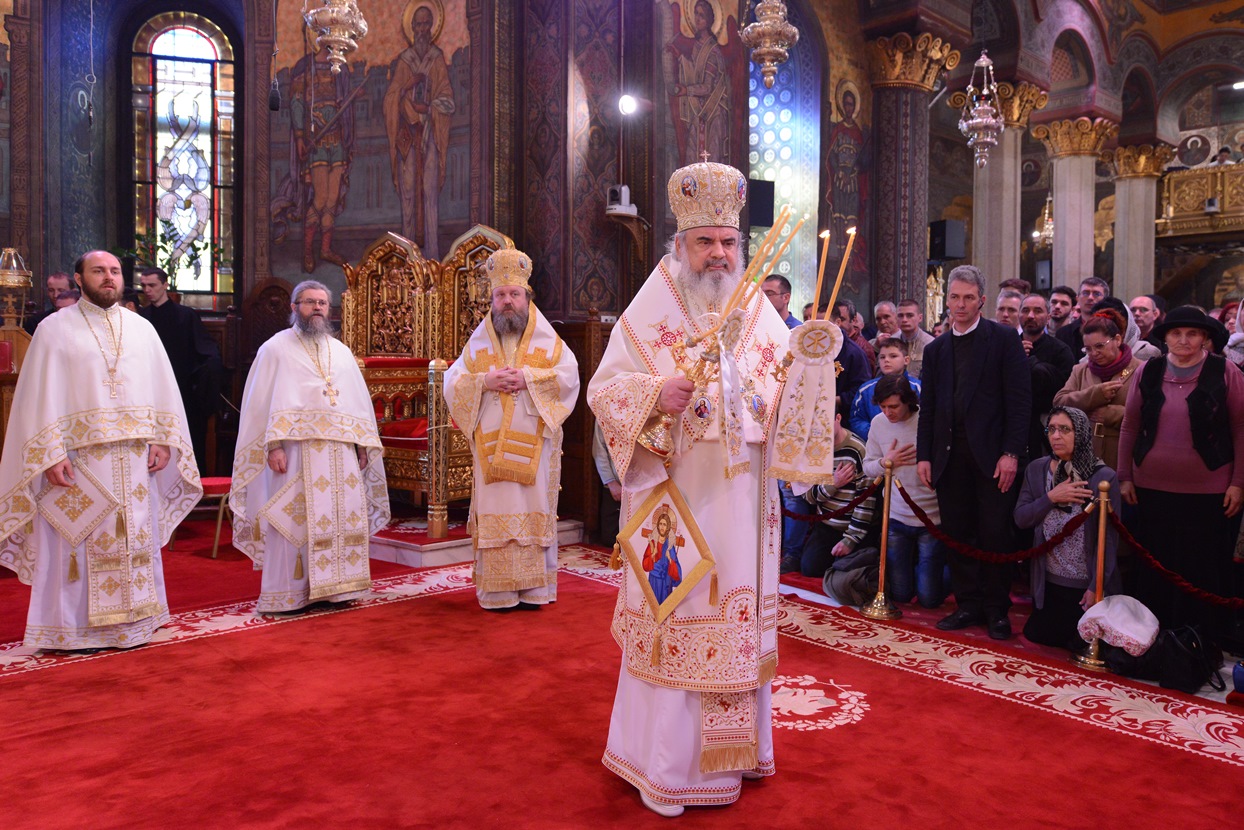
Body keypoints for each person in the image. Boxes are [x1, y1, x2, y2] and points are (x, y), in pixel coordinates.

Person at [588, 158, 790, 815]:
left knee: (734, 620)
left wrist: (813, 368)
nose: (719, 254)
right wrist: (656, 394)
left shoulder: (756, 308)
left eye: (729, 241)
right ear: (681, 244)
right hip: (677, 502)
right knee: (678, 613)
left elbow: (786, 392)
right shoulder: (652, 307)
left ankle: (739, 757)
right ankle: (667, 770)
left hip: (744, 502)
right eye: (706, 241)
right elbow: (604, 391)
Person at [0, 250, 201, 650]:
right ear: (80, 279)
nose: (109, 277)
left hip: (135, 460)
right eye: (99, 271)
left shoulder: (142, 329)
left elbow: (162, 387)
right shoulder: (54, 329)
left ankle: (137, 622)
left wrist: (163, 439)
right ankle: (72, 631)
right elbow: (39, 396)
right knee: (77, 540)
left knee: (136, 538)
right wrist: (51, 452)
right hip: (78, 462)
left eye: (115, 271)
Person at [229, 280, 390, 613]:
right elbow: (260, 405)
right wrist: (272, 446)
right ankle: (288, 594)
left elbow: (358, 404)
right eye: (309, 302)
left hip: (340, 454)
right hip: (294, 454)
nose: (317, 307)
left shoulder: (340, 351)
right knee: (292, 521)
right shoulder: (275, 349)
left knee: (342, 517)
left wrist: (362, 445)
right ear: (294, 307)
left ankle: (339, 589)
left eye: (322, 303)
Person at [444, 249, 579, 610]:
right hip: (490, 453)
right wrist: (484, 381)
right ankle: (498, 592)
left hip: (536, 448)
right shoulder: (478, 343)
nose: (507, 301)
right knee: (495, 510)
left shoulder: (549, 342)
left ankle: (535, 589)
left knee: (534, 509)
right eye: (500, 295)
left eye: (514, 294)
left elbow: (569, 378)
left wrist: (528, 378)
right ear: (492, 300)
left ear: (526, 297)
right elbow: (452, 383)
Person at [916, 265, 1031, 640]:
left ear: (982, 300)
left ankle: (997, 608)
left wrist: (1011, 453)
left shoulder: (1003, 339)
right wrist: (924, 455)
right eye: (955, 297)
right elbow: (929, 408)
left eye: (968, 298)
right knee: (958, 532)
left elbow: (1019, 402)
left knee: (995, 533)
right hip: (949, 457)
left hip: (994, 457)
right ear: (946, 301)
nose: (961, 305)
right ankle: (967, 603)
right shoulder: (935, 350)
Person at [1117, 306, 1244, 643]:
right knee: (1155, 564)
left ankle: (1200, 641)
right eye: (1176, 333)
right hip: (1150, 487)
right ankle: (1152, 638)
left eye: (1192, 334)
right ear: (1166, 338)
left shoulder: (1225, 371)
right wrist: (1124, 475)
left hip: (1210, 491)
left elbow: (1241, 428)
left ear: (1205, 338)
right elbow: (1130, 425)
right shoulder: (1149, 370)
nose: (1184, 340)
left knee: (1201, 567)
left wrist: (1238, 482)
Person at [1014, 406, 1121, 650]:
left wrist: (1096, 588)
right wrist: (1051, 497)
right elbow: (1021, 518)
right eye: (1051, 429)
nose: (1056, 436)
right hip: (1048, 585)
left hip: (1084, 588)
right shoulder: (1037, 469)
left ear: (1080, 433)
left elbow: (1109, 540)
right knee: (1038, 637)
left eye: (1065, 429)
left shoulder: (1103, 477)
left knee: (1080, 646)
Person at [863, 373, 946, 608]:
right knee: (900, 595)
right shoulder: (878, 423)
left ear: (908, 401)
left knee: (929, 598)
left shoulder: (927, 421)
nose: (888, 412)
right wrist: (885, 462)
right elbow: (867, 468)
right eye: (883, 406)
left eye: (893, 407)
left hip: (930, 517)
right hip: (896, 515)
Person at [384, 4, 455, 259]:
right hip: (408, 138)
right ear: (412, 28)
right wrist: (407, 90)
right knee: (408, 193)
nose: (422, 29)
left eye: (427, 24)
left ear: (432, 27)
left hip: (430, 136)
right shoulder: (405, 60)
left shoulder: (437, 59)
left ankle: (433, 257)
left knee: (430, 192)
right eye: (419, 24)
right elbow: (391, 98)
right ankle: (408, 258)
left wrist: (429, 108)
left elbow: (448, 101)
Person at [138, 266, 223, 473]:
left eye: (152, 285)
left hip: (184, 390)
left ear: (165, 285)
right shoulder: (141, 318)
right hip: (149, 390)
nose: (147, 290)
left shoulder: (186, 315)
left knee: (190, 439)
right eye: (144, 286)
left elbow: (205, 350)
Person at [1052, 309, 1145, 470]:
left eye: (1099, 346)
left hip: (1124, 457)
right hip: (1085, 458)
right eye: (1088, 349)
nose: (1094, 353)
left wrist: (1115, 415)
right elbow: (1059, 402)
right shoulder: (1080, 370)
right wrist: (1095, 394)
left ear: (1117, 339)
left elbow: (1153, 415)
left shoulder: (1141, 370)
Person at [790, 412, 878, 577]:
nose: (822, 431)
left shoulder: (858, 449)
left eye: (826, 423)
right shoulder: (812, 448)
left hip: (853, 525)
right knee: (810, 568)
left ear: (838, 418)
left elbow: (866, 501)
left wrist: (850, 540)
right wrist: (833, 484)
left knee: (844, 569)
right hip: (827, 524)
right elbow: (808, 496)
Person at [1019, 294, 1074, 459]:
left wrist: (1031, 363)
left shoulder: (1061, 351)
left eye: (1037, 311)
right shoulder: (1007, 347)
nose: (1030, 316)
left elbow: (1062, 391)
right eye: (1025, 310)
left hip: (1045, 429)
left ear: (1048, 316)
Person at [848, 338, 922, 440]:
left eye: (893, 356)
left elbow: (925, 417)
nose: (886, 360)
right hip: (875, 441)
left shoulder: (918, 387)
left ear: (906, 360)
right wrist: (878, 433)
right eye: (882, 357)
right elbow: (857, 420)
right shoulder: (866, 389)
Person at [1055, 276, 1110, 359]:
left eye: (1096, 294)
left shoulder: (1112, 330)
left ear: (1105, 300)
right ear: (1077, 299)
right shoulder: (1063, 333)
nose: (1090, 297)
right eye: (1085, 293)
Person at [832, 298, 877, 381]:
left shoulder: (863, 348)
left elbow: (864, 382)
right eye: (835, 320)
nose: (838, 324)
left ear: (854, 320)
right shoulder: (828, 343)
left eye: (842, 319)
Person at [593, 422, 622, 546]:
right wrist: (611, 482)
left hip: (640, 486)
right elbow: (599, 451)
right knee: (610, 539)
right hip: (614, 486)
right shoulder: (603, 412)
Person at [894, 298, 935, 378]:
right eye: (900, 316)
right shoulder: (892, 342)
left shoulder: (930, 344)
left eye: (909, 315)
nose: (904, 320)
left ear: (920, 318)